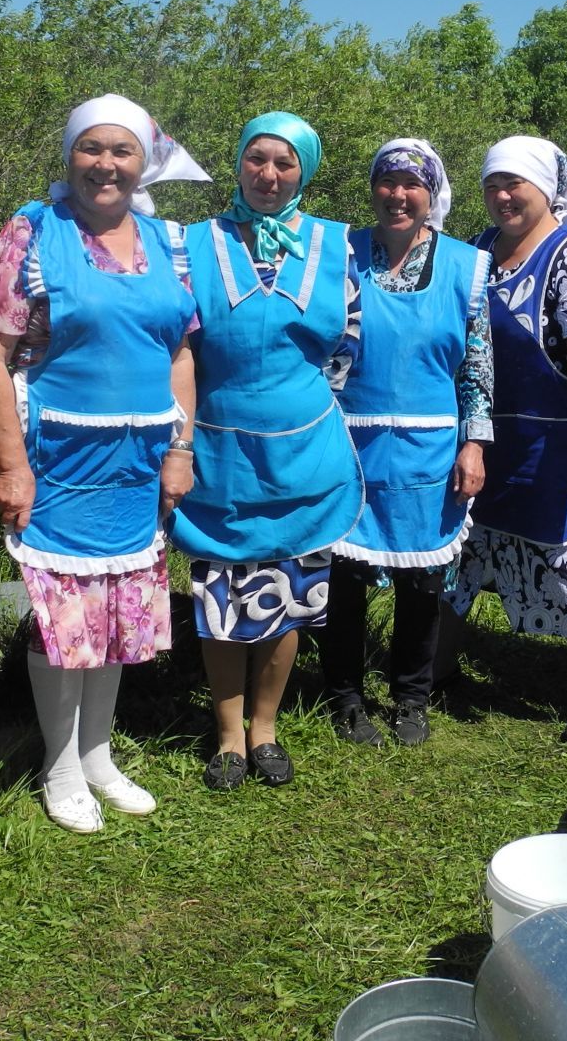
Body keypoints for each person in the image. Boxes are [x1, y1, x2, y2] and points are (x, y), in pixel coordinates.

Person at [0, 95, 209, 832]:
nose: (106, 164)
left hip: (139, 465)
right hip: (61, 460)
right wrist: (12, 466)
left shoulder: (169, 241)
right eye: (92, 149)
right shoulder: (34, 231)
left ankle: (98, 753)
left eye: (122, 151)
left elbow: (181, 351)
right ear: (70, 154)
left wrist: (180, 448)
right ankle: (59, 763)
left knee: (117, 614)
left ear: (143, 163)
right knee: (63, 617)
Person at [172, 112, 362, 790]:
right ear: (238, 162)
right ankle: (226, 736)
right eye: (257, 159)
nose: (269, 175)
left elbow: (351, 345)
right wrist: (180, 441)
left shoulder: (338, 246)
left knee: (292, 593)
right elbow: (180, 347)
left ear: (303, 171)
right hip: (219, 451)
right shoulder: (190, 243)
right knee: (221, 595)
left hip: (306, 450)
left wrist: (301, 404)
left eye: (285, 163)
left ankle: (266, 728)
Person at [444, 136, 567, 745]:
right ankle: (433, 671)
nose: (502, 196)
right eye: (492, 183)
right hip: (477, 435)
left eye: (514, 184)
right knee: (459, 560)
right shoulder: (474, 251)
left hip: (551, 444)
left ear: (546, 189)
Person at [320, 139, 492, 748]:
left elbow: (476, 367)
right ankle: (343, 695)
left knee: (424, 581)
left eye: (410, 184)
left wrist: (475, 444)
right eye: (387, 182)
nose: (397, 194)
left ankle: (410, 697)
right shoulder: (340, 256)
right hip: (349, 441)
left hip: (431, 446)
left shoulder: (466, 265)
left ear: (431, 194)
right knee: (344, 575)